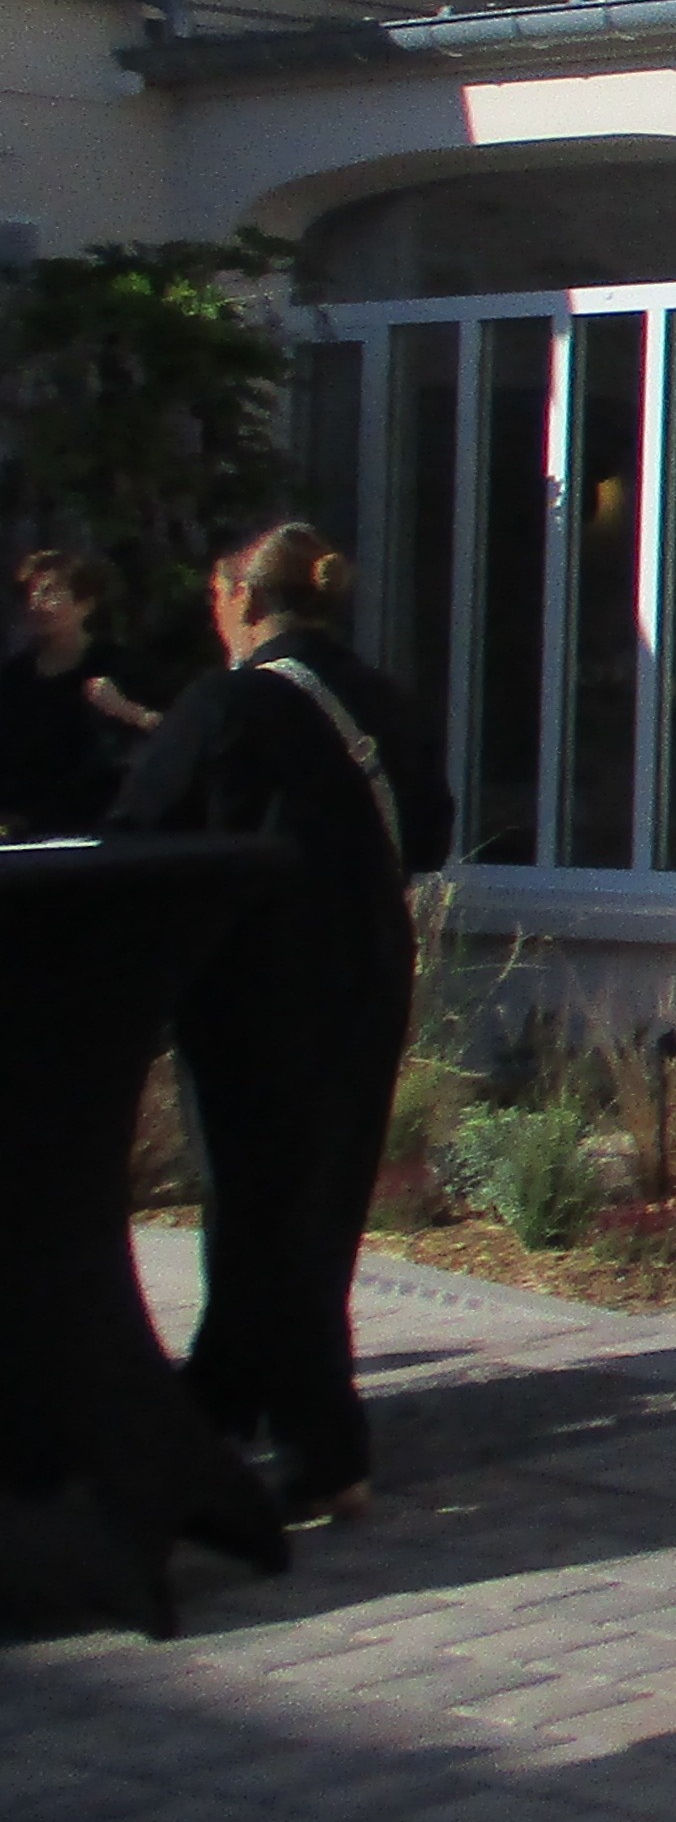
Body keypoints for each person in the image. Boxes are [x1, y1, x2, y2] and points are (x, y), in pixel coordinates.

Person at [106, 522, 451, 1524]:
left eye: (216, 597)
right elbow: (425, 833)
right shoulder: (382, 699)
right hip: (371, 972)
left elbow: (138, 835)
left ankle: (323, 1446)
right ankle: (222, 1399)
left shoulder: (225, 705)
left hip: (256, 984)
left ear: (241, 599)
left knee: (256, 1208)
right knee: (321, 1203)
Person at [0, 545, 159, 834]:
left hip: (100, 823)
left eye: (49, 592)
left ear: (85, 602)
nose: (35, 603)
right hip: (25, 826)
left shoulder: (119, 665)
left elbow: (167, 735)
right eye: (30, 593)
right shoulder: (14, 676)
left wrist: (125, 709)